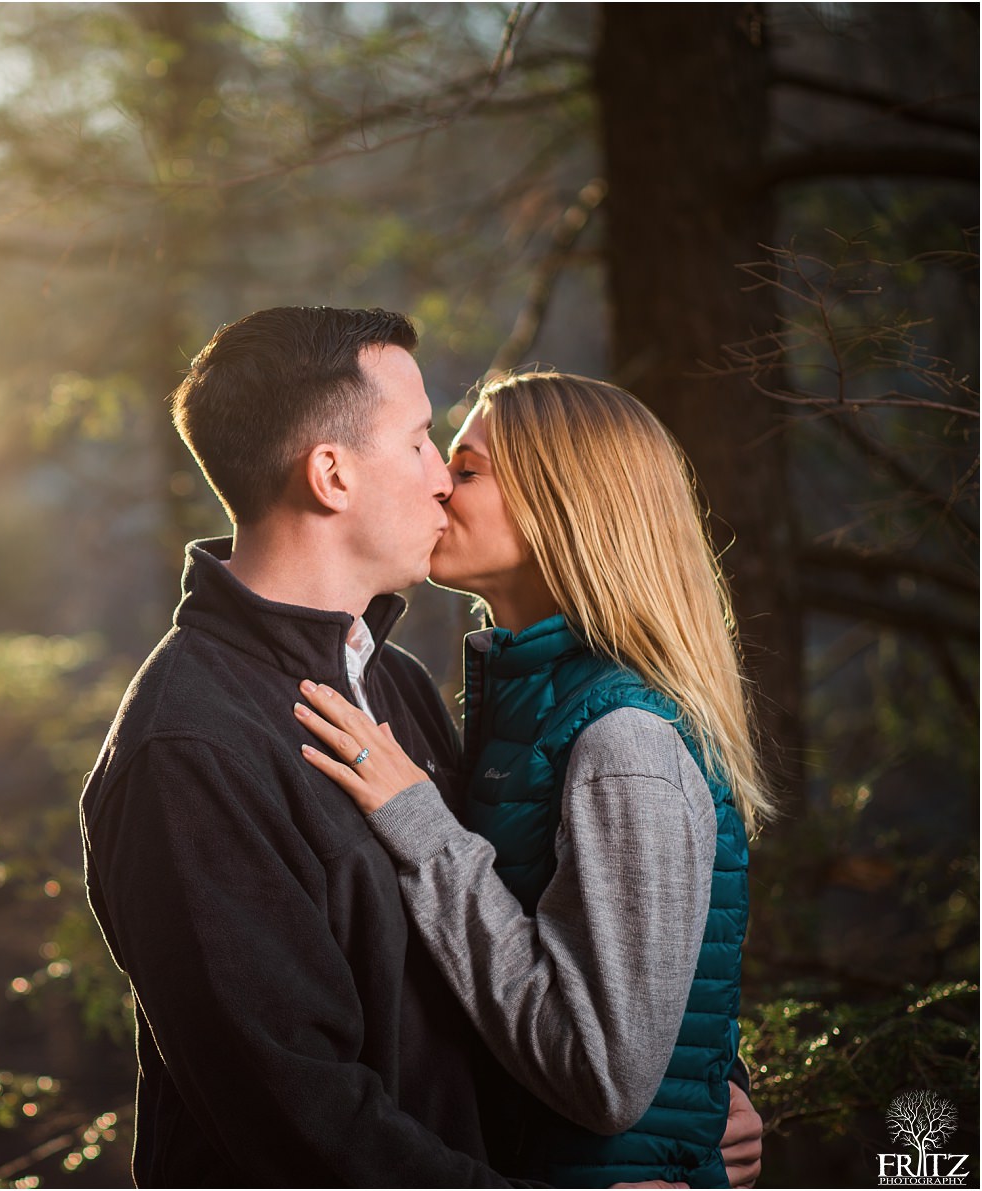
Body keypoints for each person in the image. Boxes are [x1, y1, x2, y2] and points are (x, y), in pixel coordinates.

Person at [81, 311, 762, 1188]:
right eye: (418, 443)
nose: (441, 479)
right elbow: (292, 1116)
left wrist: (696, 1089)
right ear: (331, 474)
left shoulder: (393, 683)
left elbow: (514, 935)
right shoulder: (190, 745)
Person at [293, 371, 771, 1187]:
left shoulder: (623, 742)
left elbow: (605, 1074)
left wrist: (421, 824)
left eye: (466, 467)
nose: (438, 482)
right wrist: (704, 1090)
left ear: (563, 502)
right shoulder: (529, 713)